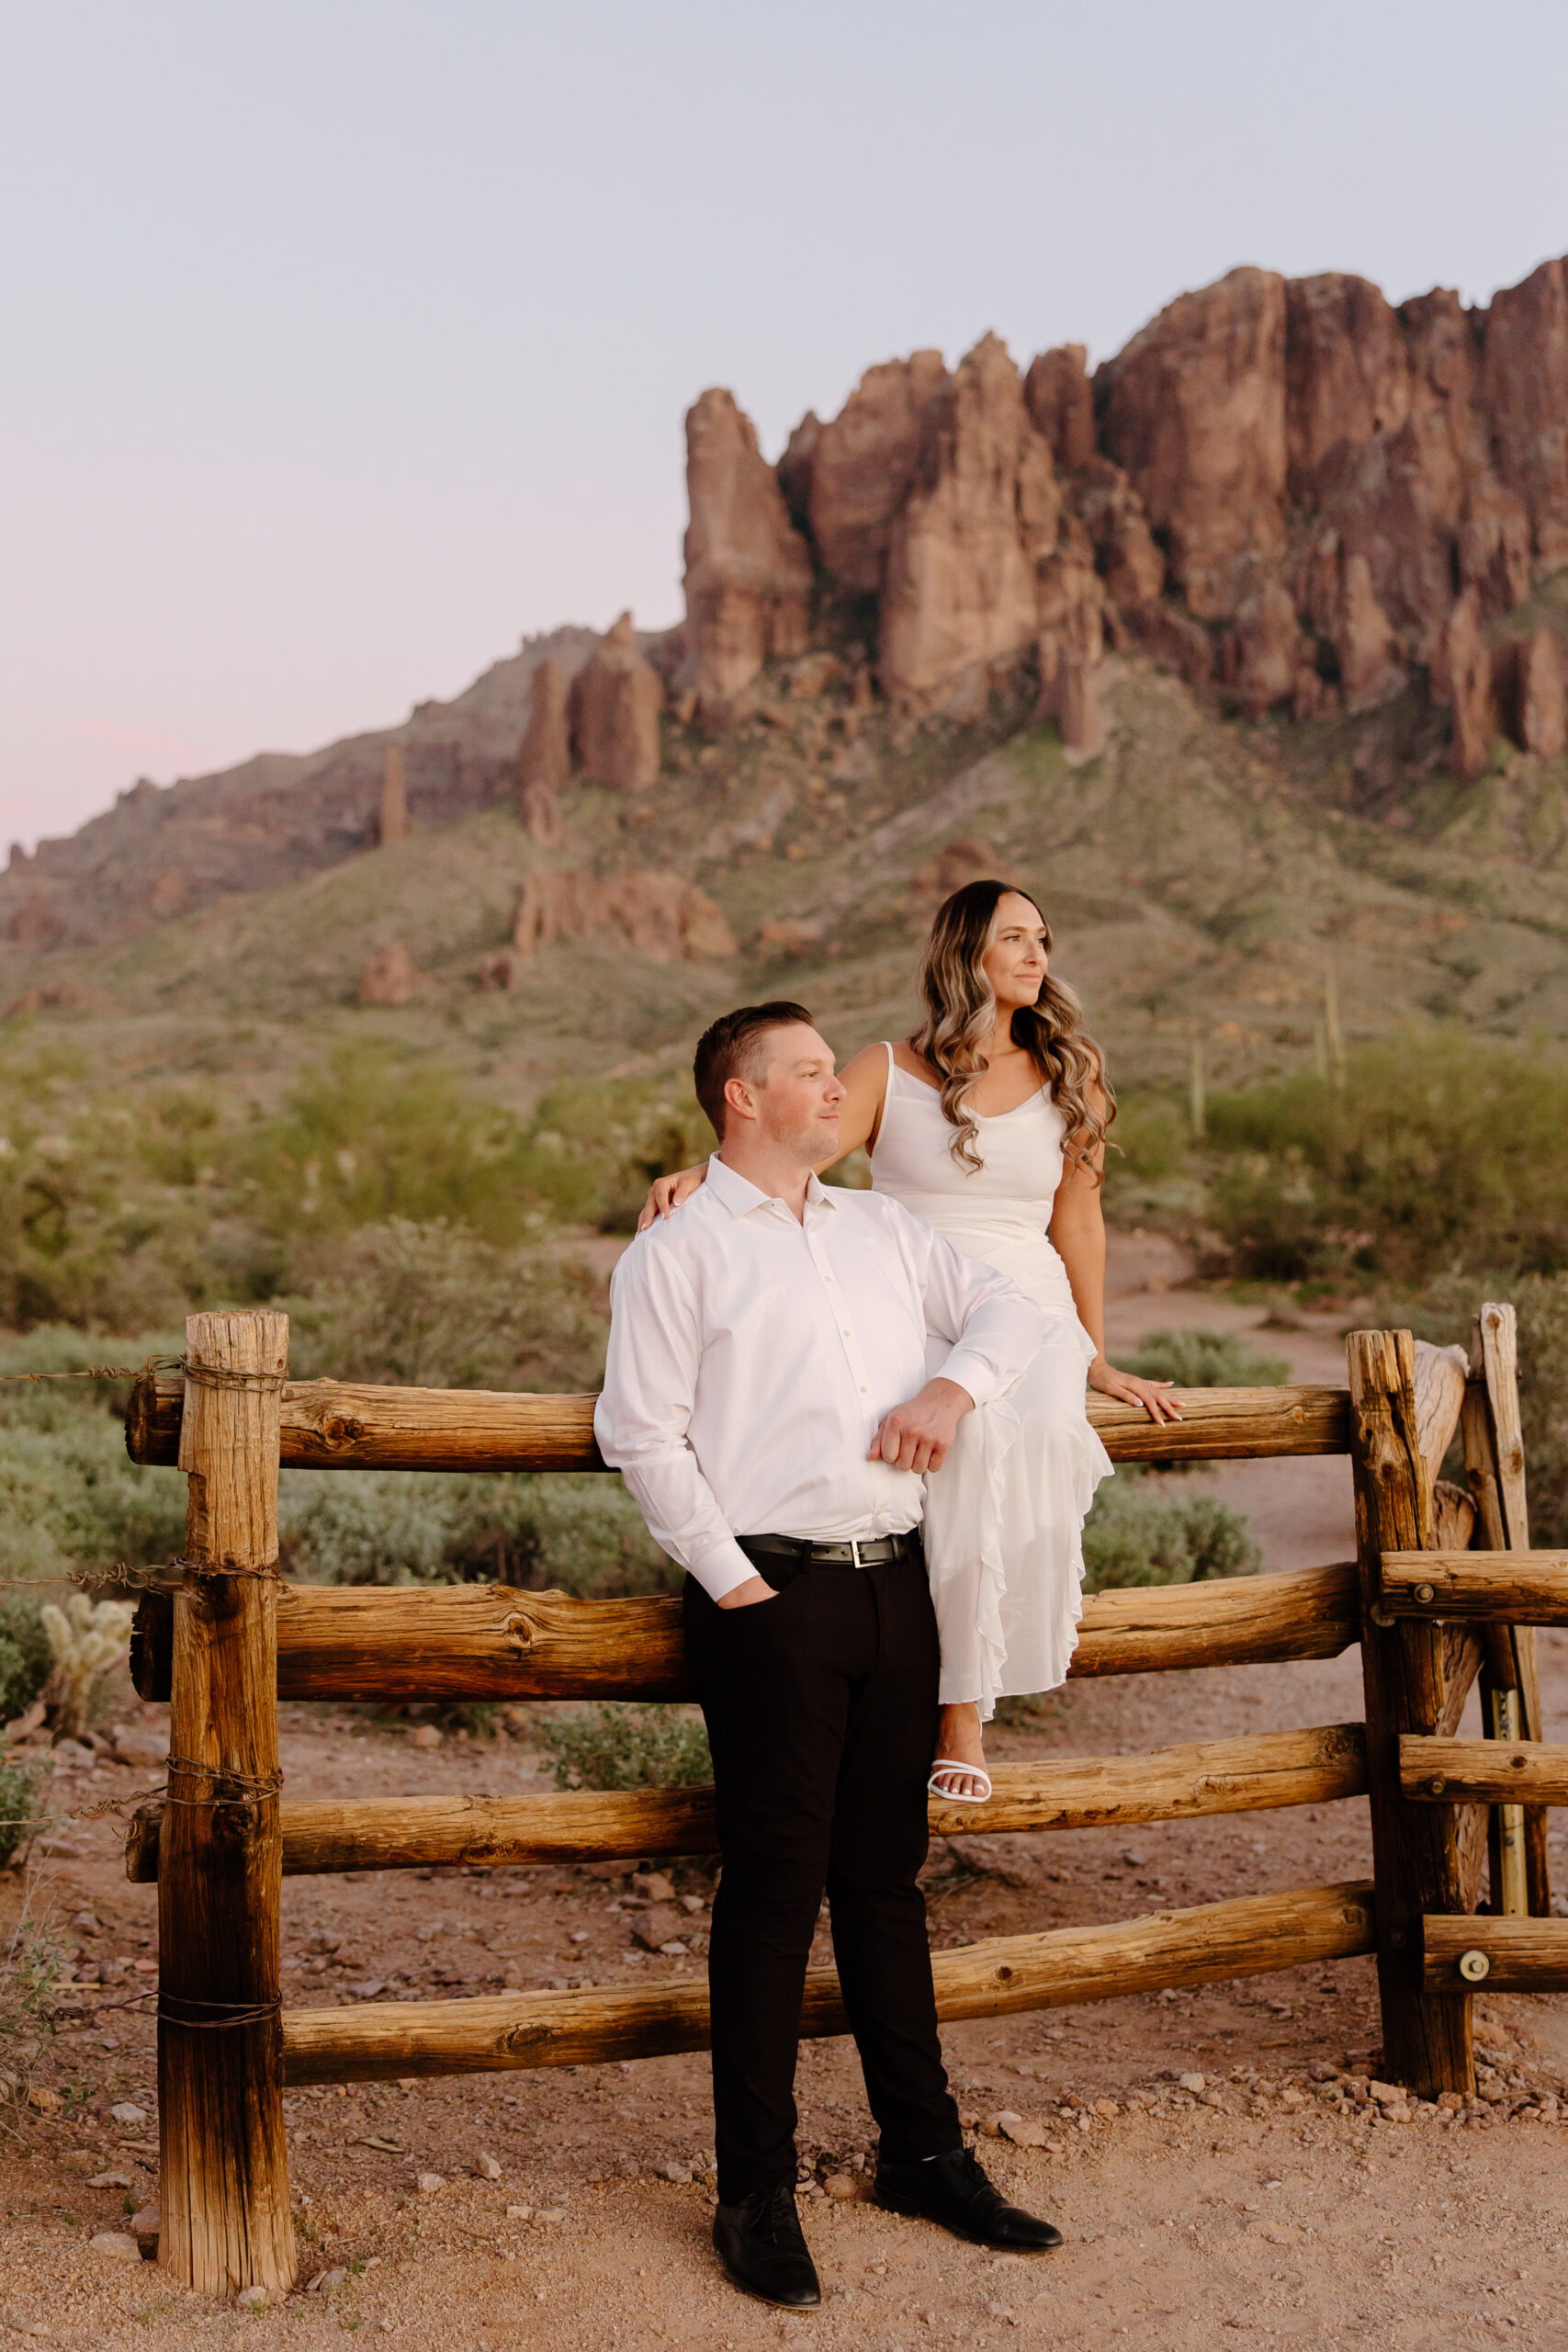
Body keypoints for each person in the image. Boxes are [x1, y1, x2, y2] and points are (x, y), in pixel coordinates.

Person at [595, 1001, 1064, 2311]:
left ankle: (922, 2153)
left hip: (892, 1592)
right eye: (805, 1073)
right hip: (771, 1600)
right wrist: (737, 1582)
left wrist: (947, 1390)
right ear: (738, 1098)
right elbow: (640, 1432)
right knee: (769, 1891)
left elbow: (1008, 1313)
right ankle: (753, 2193)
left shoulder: (880, 1229)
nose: (830, 1089)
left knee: (884, 1884)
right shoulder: (677, 1252)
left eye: (829, 1072)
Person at [639, 881, 1179, 1804]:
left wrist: (1092, 1352)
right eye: (1013, 937)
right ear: (967, 952)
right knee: (915, 1448)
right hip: (900, 1290)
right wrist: (701, 1169)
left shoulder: (1072, 1070)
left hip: (1023, 1303)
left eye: (1042, 938)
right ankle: (914, 1686)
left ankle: (961, 1706)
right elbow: (797, 1145)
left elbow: (1079, 1223)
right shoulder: (889, 1066)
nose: (1036, 953)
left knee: (1003, 1434)